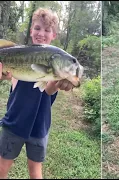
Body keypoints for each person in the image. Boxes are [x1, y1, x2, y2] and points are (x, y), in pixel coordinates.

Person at [0, 8, 75, 179]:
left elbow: (48, 90)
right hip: (14, 123)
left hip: (39, 126)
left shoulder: (54, 60)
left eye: (47, 30)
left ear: (54, 35)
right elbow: (12, 79)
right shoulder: (20, 52)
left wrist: (61, 82)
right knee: (2, 168)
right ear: (31, 30)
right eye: (37, 28)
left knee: (35, 171)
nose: (41, 33)